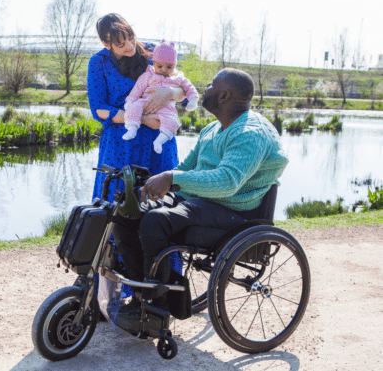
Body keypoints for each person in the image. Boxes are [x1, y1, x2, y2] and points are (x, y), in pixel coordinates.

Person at [113, 68, 289, 310]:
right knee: (126, 210)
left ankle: (157, 306)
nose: (206, 87)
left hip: (233, 210)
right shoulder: (212, 129)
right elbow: (187, 168)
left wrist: (172, 176)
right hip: (200, 202)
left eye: (211, 85)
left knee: (156, 221)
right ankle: (142, 290)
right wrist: (152, 185)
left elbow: (227, 182)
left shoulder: (249, 134)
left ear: (224, 96)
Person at [88, 13, 186, 201]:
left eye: (131, 37)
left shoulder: (153, 52)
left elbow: (184, 89)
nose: (130, 46)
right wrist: (141, 119)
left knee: (162, 203)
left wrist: (170, 93)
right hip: (121, 145)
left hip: (158, 142)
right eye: (121, 44)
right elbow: (99, 109)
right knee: (120, 203)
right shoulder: (98, 62)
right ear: (106, 44)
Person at [122, 40, 199, 154]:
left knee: (174, 121)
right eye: (160, 66)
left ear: (175, 65)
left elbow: (190, 88)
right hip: (146, 102)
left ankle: (159, 141)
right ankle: (132, 127)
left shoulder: (178, 77)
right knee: (134, 107)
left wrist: (193, 100)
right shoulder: (148, 75)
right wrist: (130, 101)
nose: (164, 69)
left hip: (167, 108)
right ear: (153, 62)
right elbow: (137, 90)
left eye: (169, 67)